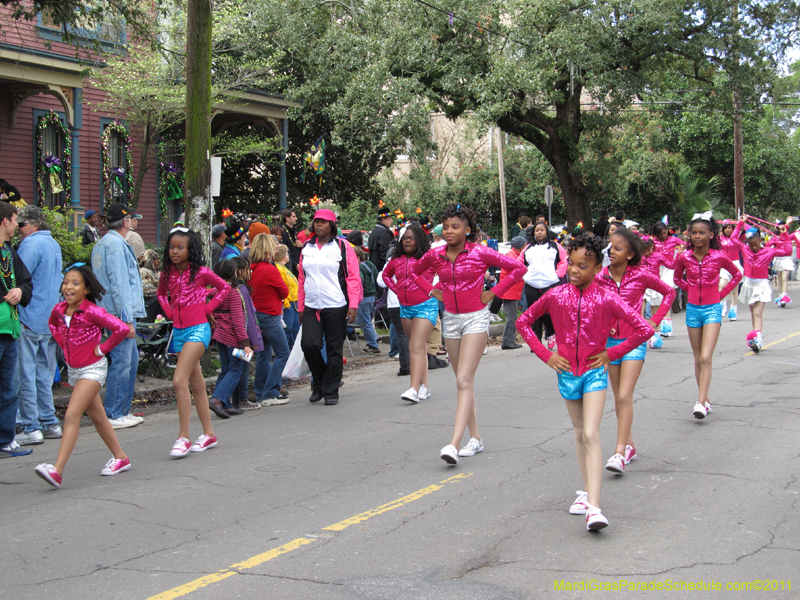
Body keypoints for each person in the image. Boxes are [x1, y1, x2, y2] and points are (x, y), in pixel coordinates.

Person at [517, 234, 653, 531]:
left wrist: (611, 353)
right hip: (566, 373)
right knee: (580, 432)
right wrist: (546, 355)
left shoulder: (607, 297)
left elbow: (642, 329)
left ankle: (594, 507)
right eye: (572, 265)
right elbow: (522, 322)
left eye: (583, 265)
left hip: (594, 372)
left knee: (591, 432)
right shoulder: (555, 295)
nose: (575, 271)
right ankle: (588, 491)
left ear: (596, 268)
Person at [413, 204, 526, 464]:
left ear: (468, 229)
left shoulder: (480, 252)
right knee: (463, 383)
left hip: (476, 318)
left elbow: (519, 269)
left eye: (456, 227)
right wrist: (433, 292)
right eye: (446, 227)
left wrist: (493, 292)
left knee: (464, 380)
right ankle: (476, 439)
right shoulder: (436, 255)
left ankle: (454, 444)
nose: (449, 231)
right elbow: (416, 272)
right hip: (451, 320)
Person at [35, 266, 131, 488]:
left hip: (93, 369)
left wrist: (102, 348)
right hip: (75, 370)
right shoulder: (59, 310)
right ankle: (121, 457)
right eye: (66, 282)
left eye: (75, 283)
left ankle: (57, 471)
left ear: (86, 289)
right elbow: (52, 325)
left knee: (72, 414)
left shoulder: (91, 311)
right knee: (98, 417)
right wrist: (62, 345)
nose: (69, 287)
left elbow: (121, 329)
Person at [595, 227, 675, 474]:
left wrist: (654, 321)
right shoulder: (599, 278)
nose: (612, 251)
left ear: (630, 254)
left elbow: (669, 292)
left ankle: (619, 453)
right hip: (609, 345)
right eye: (610, 247)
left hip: (634, 341)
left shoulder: (641, 275)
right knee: (618, 396)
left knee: (624, 396)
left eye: (617, 248)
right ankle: (629, 444)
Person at [157, 227, 229, 457]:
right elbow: (160, 294)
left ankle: (183, 437)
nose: (174, 251)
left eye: (180, 247)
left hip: (198, 329)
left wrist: (208, 308)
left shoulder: (201, 273)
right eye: (171, 247)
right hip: (178, 331)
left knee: (179, 380)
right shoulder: (166, 274)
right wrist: (168, 311)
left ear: (191, 249)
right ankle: (209, 434)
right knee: (196, 383)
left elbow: (225, 288)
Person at [672, 213, 742, 419]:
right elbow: (677, 278)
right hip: (693, 309)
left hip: (712, 309)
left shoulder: (719, 256)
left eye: (702, 233)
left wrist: (721, 294)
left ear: (711, 234)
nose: (697, 236)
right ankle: (705, 399)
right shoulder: (684, 257)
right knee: (696, 358)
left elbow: (737, 274)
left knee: (705, 357)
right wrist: (690, 289)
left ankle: (701, 402)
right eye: (694, 233)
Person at [298, 209, 362, 405]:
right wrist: (301, 306)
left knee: (334, 348)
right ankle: (319, 381)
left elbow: (353, 277)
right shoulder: (307, 247)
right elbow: (302, 278)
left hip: (336, 305)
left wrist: (353, 304)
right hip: (311, 305)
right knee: (309, 345)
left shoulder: (342, 246)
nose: (318, 225)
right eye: (316, 221)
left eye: (323, 222)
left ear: (331, 226)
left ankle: (331, 389)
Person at [90, 203, 146, 429]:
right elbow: (120, 285)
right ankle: (114, 412)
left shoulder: (103, 244)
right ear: (126, 221)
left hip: (108, 312)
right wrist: (127, 320)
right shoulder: (116, 246)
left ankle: (121, 410)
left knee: (129, 361)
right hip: (118, 314)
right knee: (123, 363)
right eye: (132, 219)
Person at [14, 206, 63, 446]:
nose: (19, 230)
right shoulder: (53, 244)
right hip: (50, 317)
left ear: (33, 224)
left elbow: (17, 278)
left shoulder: (31, 245)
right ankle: (49, 422)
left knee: (26, 374)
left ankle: (31, 426)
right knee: (44, 374)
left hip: (29, 316)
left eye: (21, 225)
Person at [382, 222, 436, 402]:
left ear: (419, 239)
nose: (407, 241)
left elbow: (446, 274)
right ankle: (425, 387)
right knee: (418, 347)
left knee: (415, 346)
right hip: (404, 307)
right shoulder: (396, 259)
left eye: (411, 238)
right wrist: (396, 289)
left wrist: (434, 290)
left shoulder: (428, 258)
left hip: (426, 306)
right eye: (404, 238)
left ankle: (413, 388)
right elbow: (385, 276)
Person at [0, 203, 33, 458]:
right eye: (14, 219)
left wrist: (20, 291)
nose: (17, 224)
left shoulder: (10, 252)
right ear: (4, 221)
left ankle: (6, 439)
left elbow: (26, 281)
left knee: (10, 388)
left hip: (10, 329)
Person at [730, 216, 792, 352]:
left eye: (756, 244)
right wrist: (741, 223)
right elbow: (733, 239)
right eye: (751, 245)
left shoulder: (769, 251)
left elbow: (788, 251)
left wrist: (784, 233)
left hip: (761, 285)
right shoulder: (745, 249)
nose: (753, 248)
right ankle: (756, 336)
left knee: (757, 313)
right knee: (753, 313)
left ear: (760, 240)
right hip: (748, 284)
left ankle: (757, 339)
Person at [207, 259, 253, 418]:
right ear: (233, 273)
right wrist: (245, 342)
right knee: (236, 369)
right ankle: (218, 399)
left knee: (226, 369)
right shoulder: (233, 293)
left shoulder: (215, 291)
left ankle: (225, 404)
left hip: (219, 335)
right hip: (233, 338)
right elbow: (238, 320)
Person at [250, 233, 291, 406]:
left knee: (264, 354)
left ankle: (260, 390)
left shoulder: (253, 268)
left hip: (257, 314)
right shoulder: (269, 269)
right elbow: (284, 291)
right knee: (283, 353)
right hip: (270, 315)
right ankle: (271, 390)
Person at [522, 221, 567, 350]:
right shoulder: (528, 248)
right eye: (537, 230)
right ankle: (536, 341)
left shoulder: (555, 246)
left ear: (546, 231)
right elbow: (520, 262)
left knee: (548, 310)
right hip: (532, 283)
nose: (539, 232)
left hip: (551, 282)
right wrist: (524, 276)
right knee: (534, 312)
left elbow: (563, 261)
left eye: (542, 230)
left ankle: (551, 332)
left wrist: (557, 275)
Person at [229, 256, 263, 411]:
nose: (251, 271)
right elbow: (249, 316)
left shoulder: (232, 288)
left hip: (234, 336)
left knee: (235, 367)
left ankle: (235, 399)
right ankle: (241, 399)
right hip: (244, 340)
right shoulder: (242, 290)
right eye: (248, 268)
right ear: (241, 271)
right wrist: (252, 339)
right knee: (242, 368)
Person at [497, 236, 528, 350]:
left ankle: (509, 340)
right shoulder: (512, 257)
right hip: (510, 291)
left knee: (512, 316)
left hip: (511, 291)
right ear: (521, 247)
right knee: (511, 317)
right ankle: (508, 341)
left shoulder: (513, 255)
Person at [353, 246, 381, 354]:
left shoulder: (358, 267)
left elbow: (359, 283)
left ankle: (373, 344)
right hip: (372, 296)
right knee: (368, 319)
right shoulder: (370, 264)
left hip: (363, 297)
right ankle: (374, 338)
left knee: (365, 322)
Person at [274, 244, 300, 348]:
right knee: (288, 329)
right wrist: (286, 302)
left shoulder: (284, 268)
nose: (288, 255)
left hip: (294, 302)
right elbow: (282, 287)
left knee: (295, 329)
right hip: (289, 304)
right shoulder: (279, 269)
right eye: (286, 253)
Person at [718, 221, 742, 320]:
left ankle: (733, 311)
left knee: (734, 290)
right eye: (726, 228)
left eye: (729, 228)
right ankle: (723, 307)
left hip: (735, 264)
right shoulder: (719, 239)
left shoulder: (737, 238)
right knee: (722, 286)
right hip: (724, 265)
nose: (728, 230)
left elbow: (746, 229)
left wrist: (741, 222)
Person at [768, 219, 795, 307]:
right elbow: (767, 245)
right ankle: (780, 296)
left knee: (784, 279)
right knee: (779, 280)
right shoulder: (775, 238)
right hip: (778, 260)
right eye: (780, 226)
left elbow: (789, 246)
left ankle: (784, 295)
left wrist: (786, 226)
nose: (782, 227)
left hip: (786, 259)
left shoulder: (788, 236)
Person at [138, 248, 162, 322]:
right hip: (150, 303)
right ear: (149, 260)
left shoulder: (156, 272)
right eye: (155, 259)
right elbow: (145, 288)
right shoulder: (143, 272)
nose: (158, 261)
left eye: (158, 259)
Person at [368, 207, 394, 272]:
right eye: (390, 218)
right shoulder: (384, 233)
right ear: (383, 220)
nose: (392, 220)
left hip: (374, 268)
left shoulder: (374, 231)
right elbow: (386, 254)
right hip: (382, 269)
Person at [279, 208, 302, 275]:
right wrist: (295, 265)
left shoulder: (293, 231)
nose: (296, 218)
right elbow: (283, 252)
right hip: (289, 266)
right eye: (294, 216)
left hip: (297, 263)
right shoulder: (282, 232)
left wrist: (301, 245)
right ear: (287, 218)